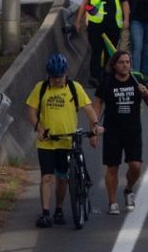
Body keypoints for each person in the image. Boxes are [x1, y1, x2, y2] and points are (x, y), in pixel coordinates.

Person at [26, 53, 101, 228]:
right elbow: (31, 110)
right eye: (53, 77)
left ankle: (58, 209)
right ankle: (45, 213)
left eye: (60, 76)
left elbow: (88, 109)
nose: (57, 80)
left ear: (66, 73)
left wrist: (95, 124)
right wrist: (39, 127)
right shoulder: (41, 88)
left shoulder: (75, 88)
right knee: (46, 177)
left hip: (67, 141)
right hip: (47, 142)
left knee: (62, 178)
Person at [91, 50, 148, 215]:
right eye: (121, 62)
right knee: (112, 167)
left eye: (127, 62)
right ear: (114, 65)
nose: (125, 65)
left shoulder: (137, 80)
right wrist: (95, 124)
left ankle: (128, 189)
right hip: (112, 130)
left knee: (136, 166)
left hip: (133, 130)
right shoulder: (107, 82)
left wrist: (146, 94)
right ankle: (112, 202)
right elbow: (98, 102)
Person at [77, 0, 125, 85]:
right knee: (96, 51)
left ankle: (109, 76)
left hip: (113, 24)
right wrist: (78, 21)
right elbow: (84, 4)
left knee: (111, 51)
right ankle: (94, 77)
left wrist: (127, 20)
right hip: (96, 25)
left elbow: (124, 3)